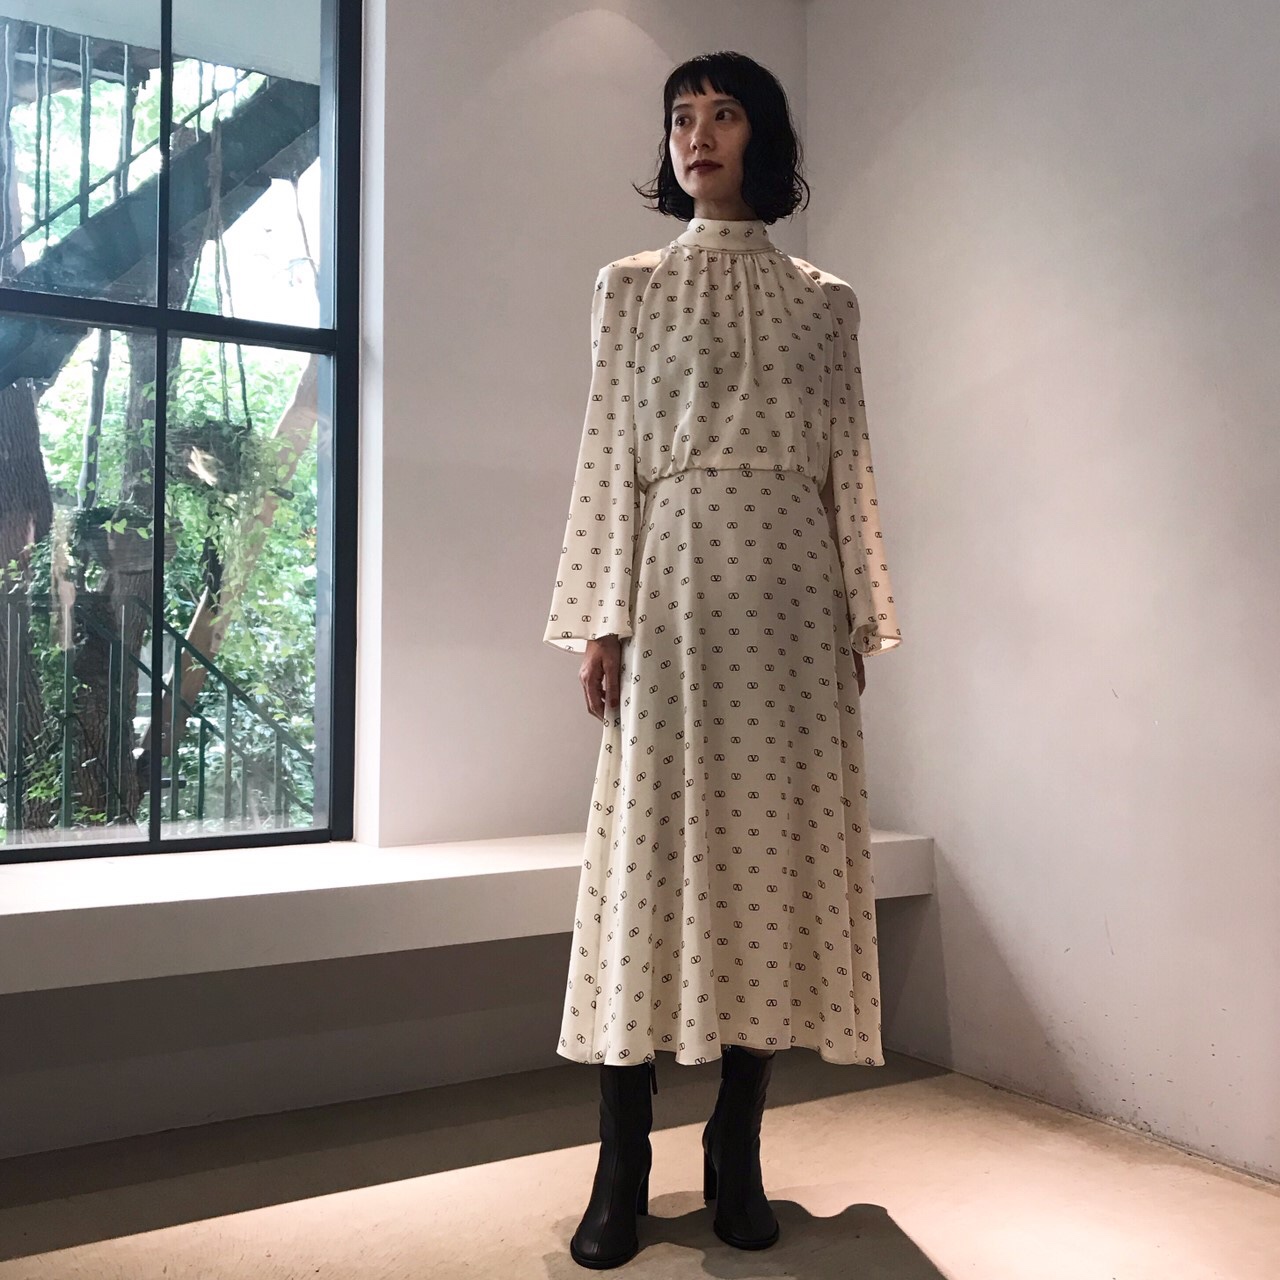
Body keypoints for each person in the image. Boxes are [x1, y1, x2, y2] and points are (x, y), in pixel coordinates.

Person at [543, 50, 903, 1269]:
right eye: (679, 117)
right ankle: (620, 1161)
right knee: (645, 859)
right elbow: (606, 451)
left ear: (765, 135)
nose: (696, 135)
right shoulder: (629, 286)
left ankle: (735, 1147)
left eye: (723, 114)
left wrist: (858, 615)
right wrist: (601, 617)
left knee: (773, 863)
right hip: (673, 591)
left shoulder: (825, 302)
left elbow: (848, 458)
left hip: (793, 608)